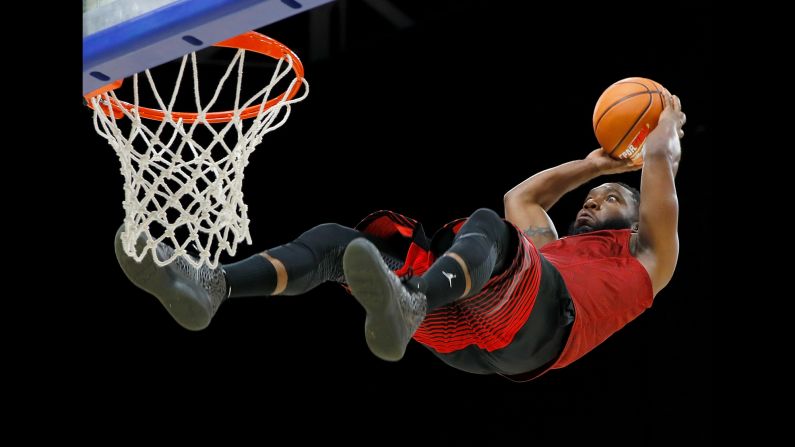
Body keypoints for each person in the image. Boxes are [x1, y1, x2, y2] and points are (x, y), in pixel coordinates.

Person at [115, 92, 685, 381]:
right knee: (342, 244)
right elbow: (525, 199)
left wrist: (664, 123)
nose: (593, 200)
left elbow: (660, 159)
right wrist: (593, 166)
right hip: (473, 332)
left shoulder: (649, 257)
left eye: (612, 198)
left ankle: (411, 304)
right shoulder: (550, 248)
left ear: (636, 222)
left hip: (538, 328)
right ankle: (212, 284)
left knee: (487, 225)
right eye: (593, 196)